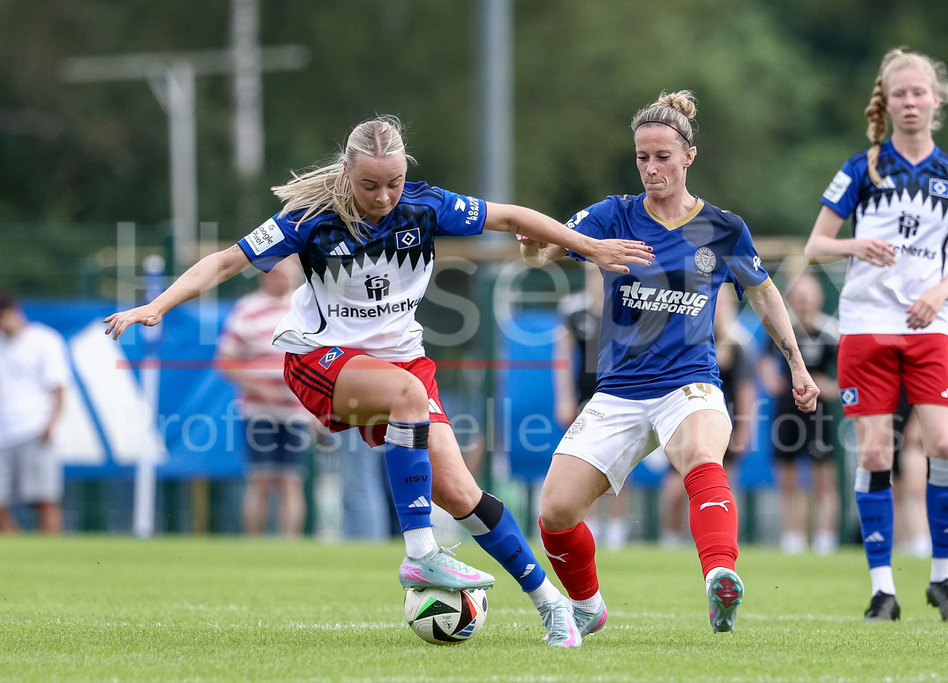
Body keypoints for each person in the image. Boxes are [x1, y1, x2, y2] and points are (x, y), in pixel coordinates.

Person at [104, 114, 653, 647]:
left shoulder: (425, 206)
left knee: (464, 494)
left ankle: (553, 606)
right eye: (370, 185)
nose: (384, 196)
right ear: (347, 173)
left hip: (402, 366)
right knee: (407, 396)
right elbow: (225, 262)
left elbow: (511, 217)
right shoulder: (311, 217)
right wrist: (157, 305)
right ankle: (420, 552)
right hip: (321, 359)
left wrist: (591, 248)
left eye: (394, 182)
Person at [519, 91, 819, 636]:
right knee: (555, 514)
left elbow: (765, 295)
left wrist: (796, 363)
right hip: (618, 392)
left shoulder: (723, 228)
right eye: (641, 157)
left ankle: (719, 578)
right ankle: (588, 606)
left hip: (690, 384)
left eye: (662, 156)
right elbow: (547, 248)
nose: (651, 167)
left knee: (703, 454)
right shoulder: (613, 215)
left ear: (689, 156)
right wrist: (530, 246)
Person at [804, 48, 948, 622]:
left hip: (930, 328)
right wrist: (856, 244)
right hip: (866, 326)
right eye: (900, 93)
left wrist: (937, 294)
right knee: (876, 450)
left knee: (944, 446)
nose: (910, 102)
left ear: (937, 99)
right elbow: (816, 245)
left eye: (919, 92)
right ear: (888, 101)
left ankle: (942, 579)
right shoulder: (863, 168)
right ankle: (883, 588)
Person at [216, 256, 311, 538]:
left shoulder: (306, 310)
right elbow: (226, 361)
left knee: (290, 480)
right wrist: (259, 387)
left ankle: (289, 546)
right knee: (260, 479)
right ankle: (254, 544)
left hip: (296, 411)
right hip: (258, 410)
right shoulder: (247, 309)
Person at [659, 287, 757, 549]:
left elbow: (747, 392)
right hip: (688, 425)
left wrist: (744, 431)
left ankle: (721, 542)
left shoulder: (739, 344)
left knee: (721, 491)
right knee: (674, 491)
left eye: (721, 303)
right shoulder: (688, 342)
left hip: (723, 426)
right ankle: (671, 538)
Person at [759, 273, 841, 555]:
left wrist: (830, 387)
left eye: (809, 294)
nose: (803, 300)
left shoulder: (830, 331)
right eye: (799, 294)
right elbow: (765, 362)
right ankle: (792, 537)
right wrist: (771, 381)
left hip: (819, 414)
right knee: (788, 477)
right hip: (786, 410)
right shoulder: (784, 330)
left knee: (823, 480)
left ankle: (824, 539)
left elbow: (849, 376)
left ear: (819, 298)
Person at [555, 264, 632, 550]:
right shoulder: (576, 314)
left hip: (620, 396)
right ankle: (590, 525)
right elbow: (562, 357)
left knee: (621, 465)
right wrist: (564, 398)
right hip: (586, 398)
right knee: (584, 463)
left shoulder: (626, 312)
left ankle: (616, 529)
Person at [891, 342, 948, 557]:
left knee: (917, 489)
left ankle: (921, 543)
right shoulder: (900, 345)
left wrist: (923, 421)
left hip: (922, 431)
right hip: (895, 425)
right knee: (898, 490)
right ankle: (905, 545)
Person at [0, 290, 72, 534]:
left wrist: (51, 424)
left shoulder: (43, 340)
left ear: (13, 312)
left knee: (44, 499)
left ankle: (52, 556)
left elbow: (59, 386)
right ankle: (16, 555)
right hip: (3, 432)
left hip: (35, 428)